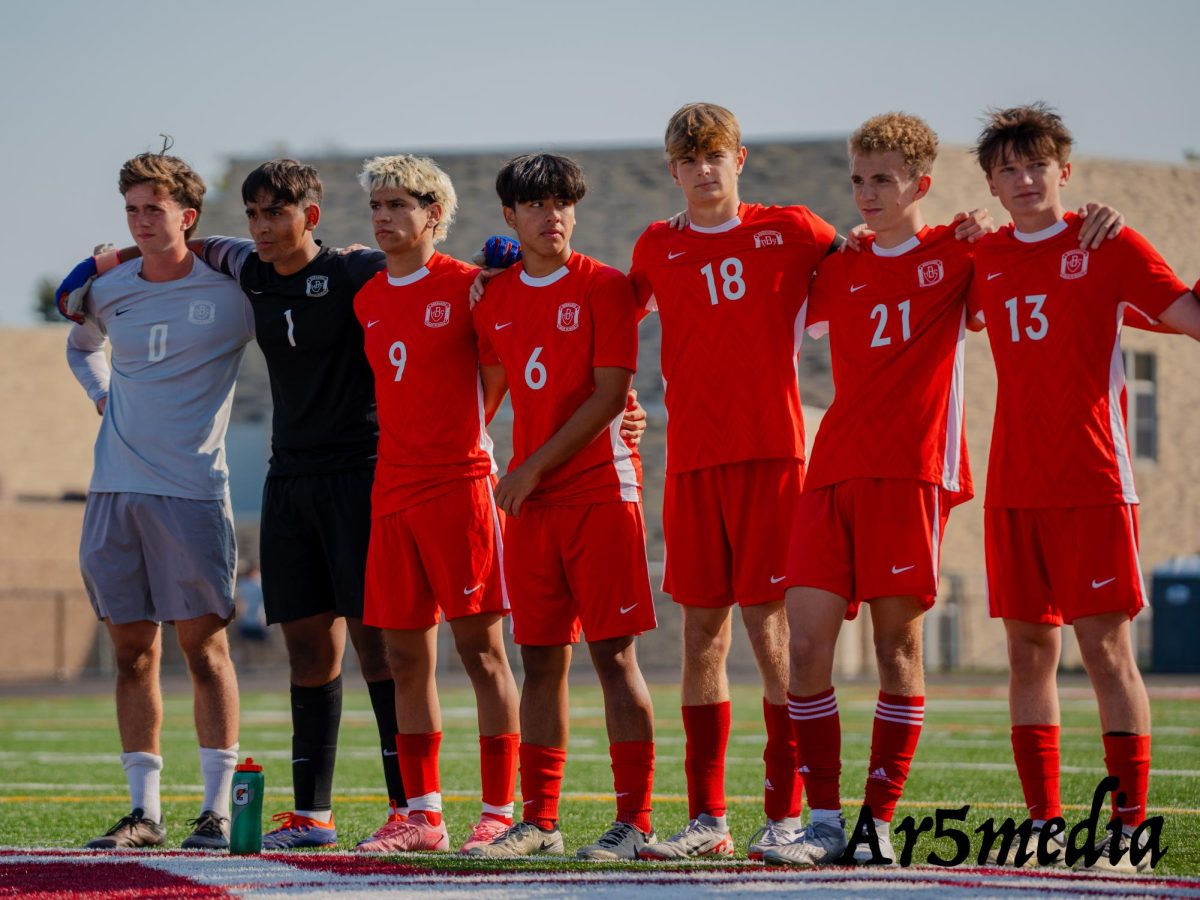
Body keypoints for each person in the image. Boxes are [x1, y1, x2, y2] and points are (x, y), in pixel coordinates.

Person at [967, 103, 1200, 872]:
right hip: (1013, 485)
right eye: (1008, 168)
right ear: (992, 185)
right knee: (1028, 655)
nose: (1024, 178)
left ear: (1064, 171)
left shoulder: (1108, 241)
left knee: (1105, 651)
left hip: (1095, 479)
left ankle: (1130, 827)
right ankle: (1045, 824)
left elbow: (1190, 318)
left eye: (1037, 164)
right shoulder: (984, 256)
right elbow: (911, 275)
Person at [628, 102, 838, 860]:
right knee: (700, 637)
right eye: (689, 158)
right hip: (690, 460)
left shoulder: (793, 230)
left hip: (773, 455)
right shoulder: (656, 245)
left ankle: (785, 813)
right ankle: (709, 819)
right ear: (673, 170)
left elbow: (873, 263)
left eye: (715, 155)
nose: (703, 169)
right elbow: (608, 318)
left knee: (770, 632)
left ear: (739, 160)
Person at [467, 153, 659, 860]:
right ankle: (539, 823)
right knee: (539, 662)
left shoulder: (607, 287)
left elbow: (610, 396)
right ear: (511, 218)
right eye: (538, 206)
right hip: (531, 504)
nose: (554, 217)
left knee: (614, 657)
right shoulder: (494, 299)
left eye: (563, 203)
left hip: (601, 492)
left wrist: (530, 469)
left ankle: (634, 824)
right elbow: (486, 394)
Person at [66, 148, 250, 850]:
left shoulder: (233, 293)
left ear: (188, 217)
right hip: (114, 488)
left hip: (193, 492)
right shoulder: (110, 290)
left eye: (156, 209)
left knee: (205, 653)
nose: (143, 222)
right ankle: (144, 815)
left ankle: (216, 812)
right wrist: (101, 391)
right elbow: (81, 343)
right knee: (132, 655)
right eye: (133, 211)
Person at [347, 154, 521, 854]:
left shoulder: (471, 286)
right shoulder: (367, 299)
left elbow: (497, 373)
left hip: (460, 485)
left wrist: (460, 435)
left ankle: (501, 812)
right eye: (378, 206)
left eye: (399, 204)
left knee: (482, 653)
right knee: (403, 656)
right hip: (392, 487)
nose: (385, 216)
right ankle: (422, 816)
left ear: (434, 214)